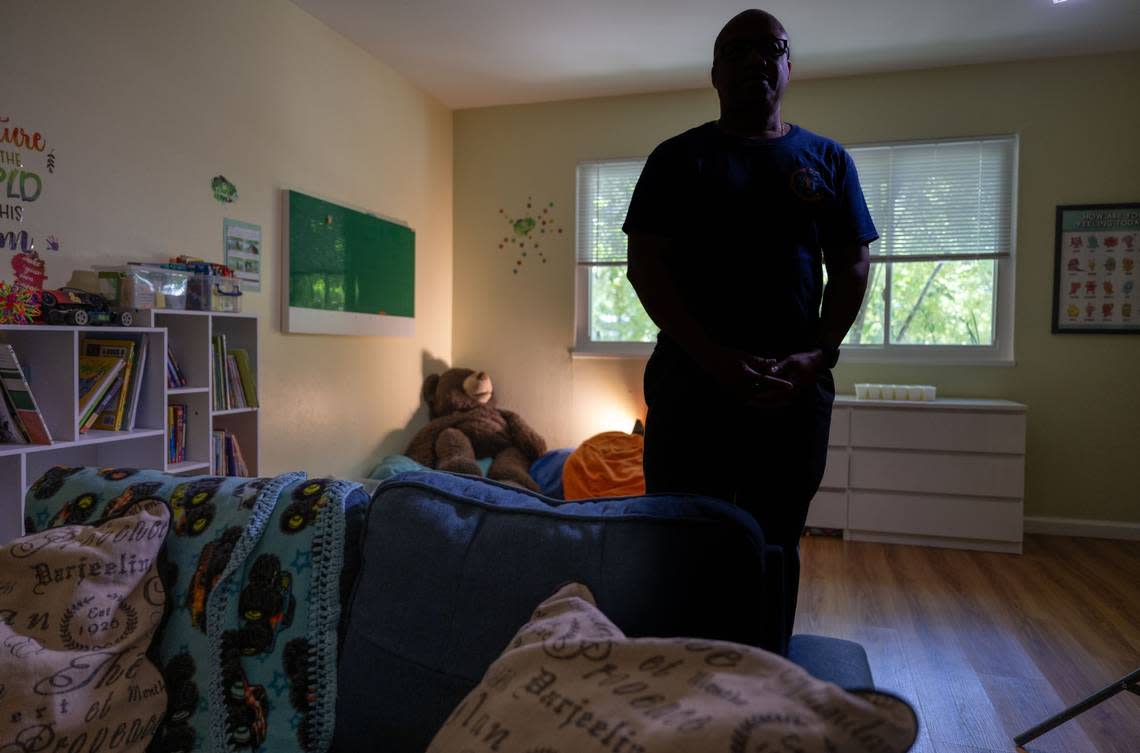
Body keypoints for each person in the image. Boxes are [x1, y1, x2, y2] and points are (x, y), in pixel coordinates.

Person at [622, 9, 876, 646]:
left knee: (774, 539)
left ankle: (764, 675)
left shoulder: (828, 161)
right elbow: (645, 268)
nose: (755, 60)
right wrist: (712, 358)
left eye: (771, 48)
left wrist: (816, 357)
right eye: (736, 51)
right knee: (683, 535)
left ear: (790, 66)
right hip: (691, 386)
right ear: (714, 73)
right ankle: (679, 675)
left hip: (794, 392)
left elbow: (852, 266)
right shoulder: (677, 159)